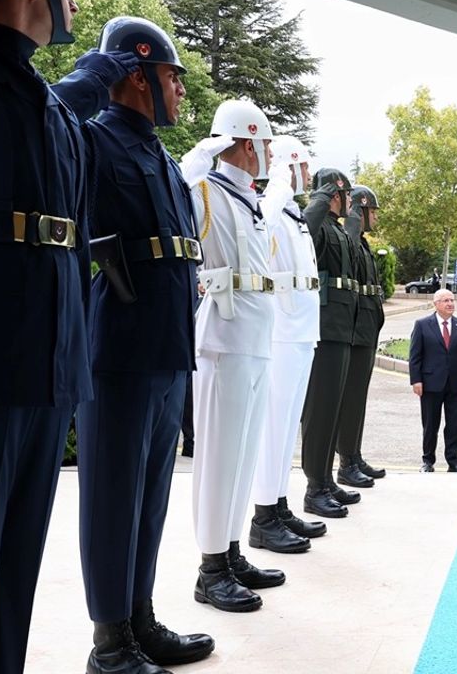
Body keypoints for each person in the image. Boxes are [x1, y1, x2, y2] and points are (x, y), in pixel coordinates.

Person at [0, 0, 134, 670]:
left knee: (14, 584)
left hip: (49, 369)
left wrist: (107, 69)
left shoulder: (40, 101)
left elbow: (67, 101)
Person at [76, 16, 215, 673]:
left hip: (166, 346)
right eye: (171, 76)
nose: (180, 91)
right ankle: (110, 643)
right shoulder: (96, 143)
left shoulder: (160, 157)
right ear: (135, 76)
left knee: (151, 492)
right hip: (121, 345)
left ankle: (139, 618)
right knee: (112, 494)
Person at [188, 99, 291, 613]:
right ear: (247, 143)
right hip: (224, 336)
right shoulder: (205, 188)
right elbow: (180, 209)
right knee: (219, 456)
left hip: (254, 334)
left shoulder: (249, 197)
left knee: (244, 454)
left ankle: (230, 552)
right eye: (266, 144)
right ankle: (210, 569)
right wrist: (194, 164)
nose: (270, 153)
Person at [247, 134, 324, 556]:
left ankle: (277, 503)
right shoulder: (273, 208)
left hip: (299, 328)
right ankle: (262, 516)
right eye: (302, 167)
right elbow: (261, 226)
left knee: (287, 424)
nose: (307, 176)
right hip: (281, 328)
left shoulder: (293, 215)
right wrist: (277, 181)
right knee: (273, 427)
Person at [299, 168, 360, 518]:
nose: (350, 203)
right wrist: (323, 195)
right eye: (345, 195)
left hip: (341, 324)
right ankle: (314, 485)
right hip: (325, 326)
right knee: (320, 410)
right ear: (334, 194)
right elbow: (306, 231)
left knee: (333, 408)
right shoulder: (316, 224)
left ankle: (324, 479)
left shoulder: (335, 229)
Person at [335, 184, 386, 487]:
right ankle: (346, 462)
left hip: (366, 327)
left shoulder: (363, 243)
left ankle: (354, 455)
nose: (376, 218)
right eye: (372, 212)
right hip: (354, 329)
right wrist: (352, 223)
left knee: (359, 398)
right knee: (350, 398)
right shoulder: (350, 240)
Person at [410, 289, 457, 472]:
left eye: (452, 300)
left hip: (455, 384)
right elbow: (415, 355)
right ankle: (428, 461)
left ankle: (453, 461)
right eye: (445, 300)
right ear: (436, 304)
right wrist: (416, 380)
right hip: (431, 384)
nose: (450, 304)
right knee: (431, 424)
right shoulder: (422, 325)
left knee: (454, 424)